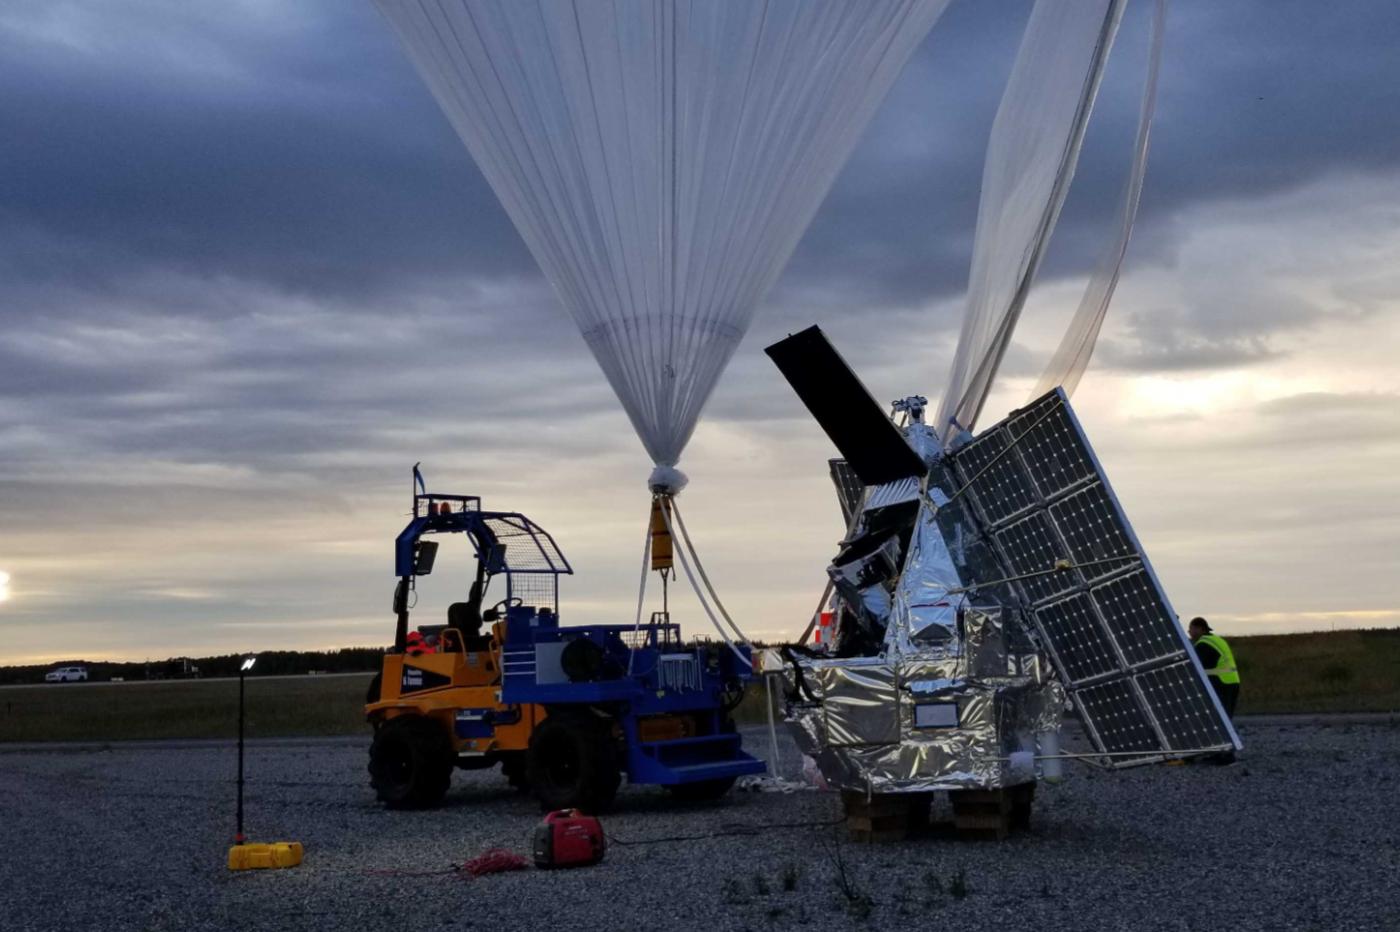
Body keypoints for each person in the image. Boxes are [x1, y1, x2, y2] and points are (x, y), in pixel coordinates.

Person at [1188, 617, 1239, 718]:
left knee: (1219, 717)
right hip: (1233, 682)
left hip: (1220, 683)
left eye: (1191, 629)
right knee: (1226, 718)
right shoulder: (1218, 640)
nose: (1189, 632)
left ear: (1200, 629)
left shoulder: (1203, 644)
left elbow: (1194, 664)